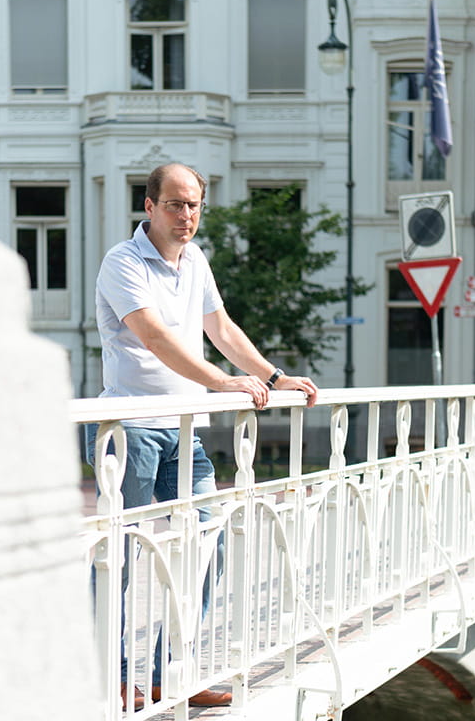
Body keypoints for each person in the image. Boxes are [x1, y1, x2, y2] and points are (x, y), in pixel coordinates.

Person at [88, 162, 318, 710]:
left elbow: (222, 328)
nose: (186, 215)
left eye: (193, 205)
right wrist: (219, 383)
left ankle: (173, 671)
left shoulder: (195, 262)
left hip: (184, 432)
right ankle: (111, 677)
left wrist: (271, 376)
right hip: (132, 429)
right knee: (121, 555)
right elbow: (154, 336)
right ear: (149, 206)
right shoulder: (123, 262)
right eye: (174, 203)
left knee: (206, 543)